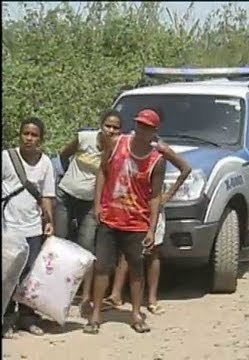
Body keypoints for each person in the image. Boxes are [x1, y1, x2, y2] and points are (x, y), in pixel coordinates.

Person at [84, 109, 166, 334]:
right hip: (110, 217)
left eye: (147, 127)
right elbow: (103, 171)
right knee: (102, 266)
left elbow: (155, 196)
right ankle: (96, 313)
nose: (142, 130)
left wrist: (151, 228)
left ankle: (136, 313)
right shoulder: (116, 143)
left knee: (136, 269)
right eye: (139, 125)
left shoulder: (156, 160)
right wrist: (98, 204)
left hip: (136, 222)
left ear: (154, 131)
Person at [103, 141, 191, 314]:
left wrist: (168, 195)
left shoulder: (161, 149)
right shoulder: (128, 146)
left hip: (151, 207)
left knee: (153, 252)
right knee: (126, 252)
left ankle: (151, 298)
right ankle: (116, 294)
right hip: (130, 205)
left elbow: (185, 169)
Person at [54, 110, 122, 317]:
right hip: (65, 196)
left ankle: (85, 298)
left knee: (87, 249)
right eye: (107, 125)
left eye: (115, 127)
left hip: (91, 203)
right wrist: (70, 177)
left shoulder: (118, 148)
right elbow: (64, 155)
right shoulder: (85, 138)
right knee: (59, 243)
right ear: (101, 125)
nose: (111, 130)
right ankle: (56, 292)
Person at [2, 117, 55, 337]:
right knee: (7, 275)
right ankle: (6, 320)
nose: (29, 139)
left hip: (33, 228)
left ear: (40, 139)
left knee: (30, 276)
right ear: (20, 135)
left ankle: (27, 318)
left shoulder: (45, 163)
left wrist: (49, 222)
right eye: (26, 134)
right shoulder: (6, 158)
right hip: (8, 228)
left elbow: (47, 196)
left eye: (34, 135)